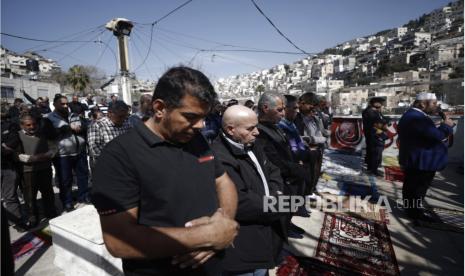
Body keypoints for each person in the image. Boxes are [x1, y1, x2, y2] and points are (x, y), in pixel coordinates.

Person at [92, 66, 239, 276]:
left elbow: (223, 181)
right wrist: (208, 236)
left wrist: (223, 221)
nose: (201, 125)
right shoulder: (119, 156)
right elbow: (118, 242)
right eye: (191, 117)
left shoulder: (196, 139)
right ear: (160, 108)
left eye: (204, 117)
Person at [212, 105, 287, 275]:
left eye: (257, 126)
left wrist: (276, 195)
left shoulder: (251, 143)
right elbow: (242, 202)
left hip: (266, 234)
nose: (257, 132)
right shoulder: (220, 158)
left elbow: (273, 171)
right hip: (244, 246)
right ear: (231, 129)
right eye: (250, 128)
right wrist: (281, 205)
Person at [256, 92, 309, 238]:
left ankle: (288, 224)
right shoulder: (260, 131)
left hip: (289, 175)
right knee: (281, 211)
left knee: (289, 207)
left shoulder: (275, 126)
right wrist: (295, 170)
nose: (283, 113)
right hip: (280, 178)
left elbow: (287, 147)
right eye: (279, 110)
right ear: (266, 108)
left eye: (284, 109)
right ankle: (283, 230)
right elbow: (273, 160)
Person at [398, 92, 455, 222]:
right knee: (417, 189)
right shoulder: (417, 118)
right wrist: (446, 126)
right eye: (434, 103)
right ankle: (415, 213)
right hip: (422, 161)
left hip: (418, 159)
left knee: (411, 187)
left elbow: (424, 134)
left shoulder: (414, 116)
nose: (436, 106)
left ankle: (411, 210)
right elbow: (437, 136)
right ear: (423, 104)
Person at [11, 114, 58, 227]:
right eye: (28, 125)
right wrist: (33, 158)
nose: (32, 127)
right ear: (21, 125)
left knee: (48, 192)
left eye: (34, 124)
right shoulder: (17, 136)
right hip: (28, 171)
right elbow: (16, 155)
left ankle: (51, 213)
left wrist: (45, 155)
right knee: (30, 196)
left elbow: (53, 148)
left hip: (45, 168)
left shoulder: (42, 134)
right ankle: (32, 217)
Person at [46, 94, 90, 212]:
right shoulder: (48, 118)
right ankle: (67, 202)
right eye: (62, 104)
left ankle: (84, 196)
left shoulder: (74, 115)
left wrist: (82, 127)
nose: (65, 106)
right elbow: (50, 134)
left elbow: (86, 125)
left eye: (66, 103)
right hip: (62, 155)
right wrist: (68, 128)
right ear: (55, 104)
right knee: (65, 180)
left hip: (79, 151)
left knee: (83, 176)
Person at [362, 97, 388, 175]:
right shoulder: (370, 112)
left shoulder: (376, 111)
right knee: (375, 153)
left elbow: (383, 119)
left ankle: (372, 168)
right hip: (374, 135)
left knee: (374, 152)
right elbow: (377, 123)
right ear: (375, 103)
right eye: (380, 102)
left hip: (376, 135)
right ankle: (373, 170)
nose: (381, 104)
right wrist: (384, 124)